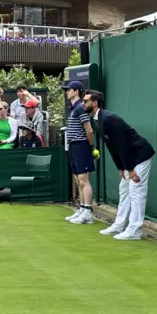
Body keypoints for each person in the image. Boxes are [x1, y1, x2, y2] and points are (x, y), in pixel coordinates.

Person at [84, 90, 156, 240]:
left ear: (95, 102)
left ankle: (135, 230)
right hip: (129, 159)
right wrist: (120, 168)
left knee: (136, 191)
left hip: (140, 154)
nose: (83, 104)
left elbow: (122, 145)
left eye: (86, 101)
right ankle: (119, 224)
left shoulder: (109, 119)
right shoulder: (97, 120)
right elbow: (112, 146)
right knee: (124, 189)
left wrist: (129, 169)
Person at [63, 81, 95, 225]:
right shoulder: (73, 108)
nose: (66, 92)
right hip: (74, 146)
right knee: (78, 180)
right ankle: (82, 209)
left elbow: (89, 130)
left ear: (76, 91)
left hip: (81, 145)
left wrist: (91, 147)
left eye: (69, 90)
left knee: (83, 180)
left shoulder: (81, 108)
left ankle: (88, 212)